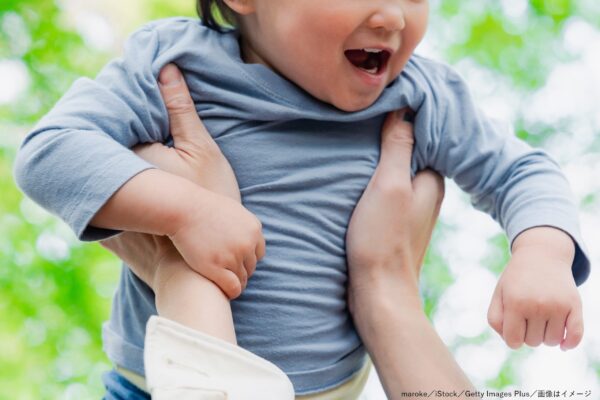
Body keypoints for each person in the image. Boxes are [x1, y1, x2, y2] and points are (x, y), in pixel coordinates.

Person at [13, 0, 590, 397]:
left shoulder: (419, 95)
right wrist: (186, 210)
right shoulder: (174, 64)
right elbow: (51, 151)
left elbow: (521, 170)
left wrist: (542, 253)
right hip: (157, 384)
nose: (393, 15)